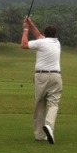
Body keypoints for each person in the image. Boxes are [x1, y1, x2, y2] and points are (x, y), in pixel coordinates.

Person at [21, 16, 62, 144]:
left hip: (41, 77)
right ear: (55, 34)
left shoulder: (41, 43)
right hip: (56, 77)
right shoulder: (57, 43)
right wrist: (31, 23)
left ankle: (39, 134)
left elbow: (24, 45)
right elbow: (38, 35)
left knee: (40, 104)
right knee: (53, 104)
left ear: (45, 34)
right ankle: (49, 125)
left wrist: (26, 29)